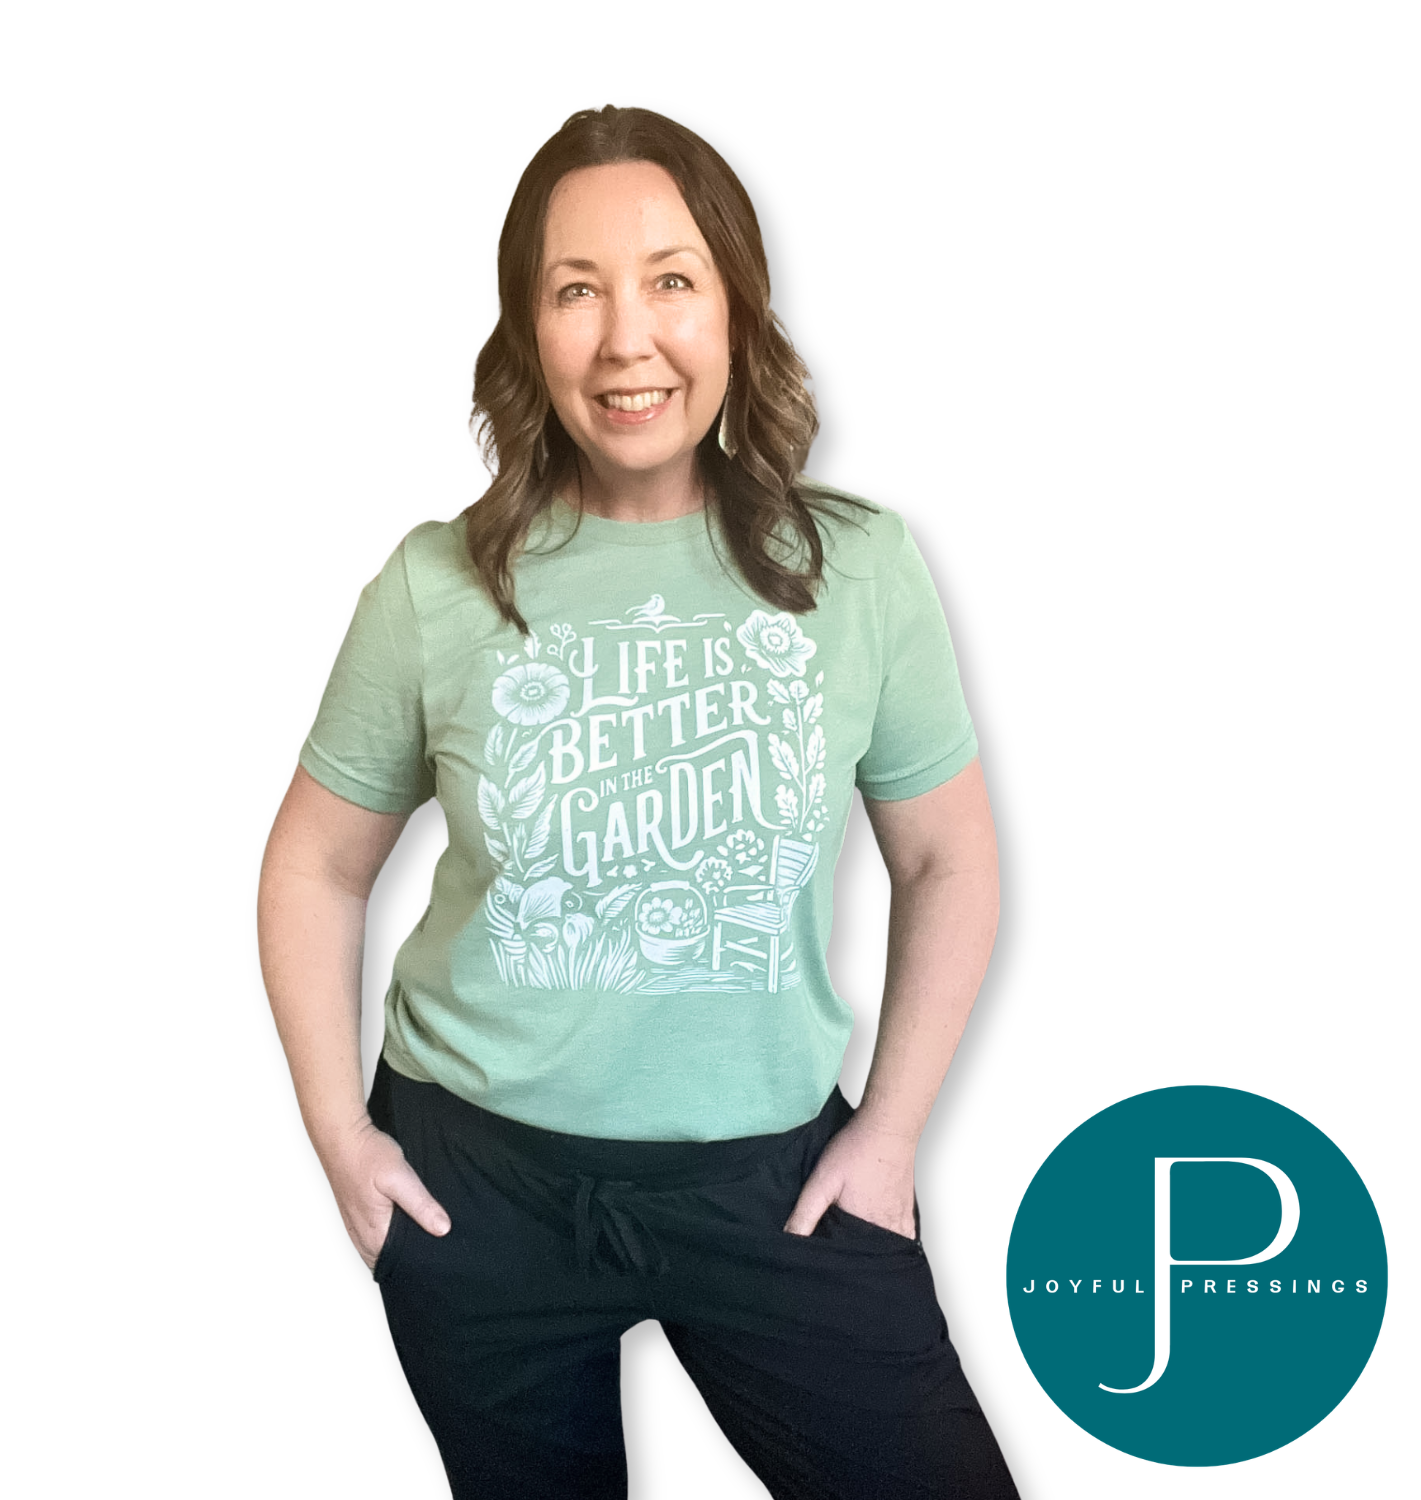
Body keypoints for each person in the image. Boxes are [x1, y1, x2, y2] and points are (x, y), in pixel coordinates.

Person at [258, 105, 1018, 1499]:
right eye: (576, 291)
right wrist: (338, 1137)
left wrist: (893, 1132)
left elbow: (947, 860)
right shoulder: (436, 585)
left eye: (672, 279)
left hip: (774, 1183)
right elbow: (316, 864)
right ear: (526, 332)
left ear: (737, 309)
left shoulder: (859, 568)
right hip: (476, 1185)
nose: (627, 340)